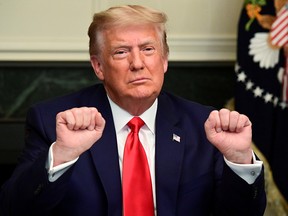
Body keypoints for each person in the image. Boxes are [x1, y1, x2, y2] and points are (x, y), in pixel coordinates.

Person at [0, 5, 266, 216]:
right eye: (121, 52)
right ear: (98, 66)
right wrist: (62, 155)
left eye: (148, 49)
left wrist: (240, 160)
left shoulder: (204, 126)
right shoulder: (53, 122)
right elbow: (14, 209)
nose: (137, 63)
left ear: (164, 60)